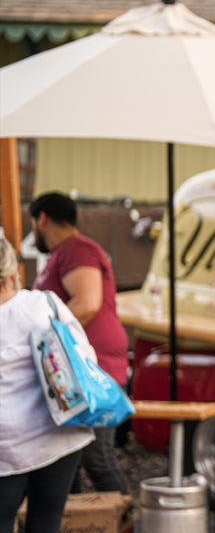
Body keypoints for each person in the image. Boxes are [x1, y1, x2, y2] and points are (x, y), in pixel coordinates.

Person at [1, 236, 95, 533]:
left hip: (6, 448)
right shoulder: (44, 303)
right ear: (12, 271)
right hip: (60, 437)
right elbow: (85, 358)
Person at [28, 193, 130, 495]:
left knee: (97, 459)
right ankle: (72, 523)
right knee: (65, 459)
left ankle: (124, 522)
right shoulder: (64, 253)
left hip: (92, 370)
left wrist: (44, 343)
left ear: (42, 219)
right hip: (77, 371)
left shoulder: (77, 249)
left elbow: (87, 303)